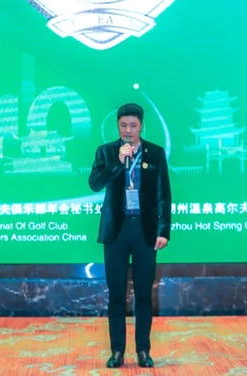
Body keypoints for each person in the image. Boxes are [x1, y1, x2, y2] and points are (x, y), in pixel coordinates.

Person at [88, 102, 171, 369]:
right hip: (116, 231)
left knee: (144, 294)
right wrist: (117, 162)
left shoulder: (155, 153)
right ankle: (117, 351)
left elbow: (164, 194)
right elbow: (94, 183)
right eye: (123, 125)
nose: (128, 130)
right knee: (116, 294)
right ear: (118, 126)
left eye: (133, 125)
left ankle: (143, 350)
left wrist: (163, 231)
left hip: (145, 231)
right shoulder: (106, 151)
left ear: (141, 126)